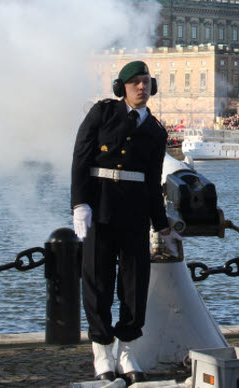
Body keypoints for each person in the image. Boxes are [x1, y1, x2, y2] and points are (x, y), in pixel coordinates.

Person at [70, 60, 182, 382]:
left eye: (146, 82)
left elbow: (151, 181)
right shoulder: (102, 113)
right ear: (122, 88)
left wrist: (161, 224)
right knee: (98, 283)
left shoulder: (155, 130)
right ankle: (102, 352)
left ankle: (128, 352)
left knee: (134, 286)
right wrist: (80, 203)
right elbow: (81, 158)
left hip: (134, 214)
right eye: (134, 83)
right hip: (100, 208)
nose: (141, 88)